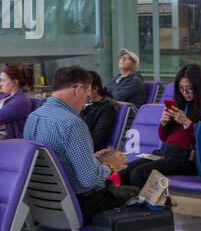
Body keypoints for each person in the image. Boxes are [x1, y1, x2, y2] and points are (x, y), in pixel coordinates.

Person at [23, 66, 134, 221]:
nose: (84, 105)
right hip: (78, 206)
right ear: (77, 89)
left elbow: (58, 163)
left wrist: (92, 159)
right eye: (87, 98)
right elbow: (89, 180)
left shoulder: (33, 117)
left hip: (41, 207)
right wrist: (111, 166)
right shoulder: (73, 123)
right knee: (146, 196)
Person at [121, 63, 201, 188]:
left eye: (189, 88)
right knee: (122, 173)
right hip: (165, 152)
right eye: (181, 88)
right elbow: (164, 138)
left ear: (198, 87)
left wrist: (186, 122)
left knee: (139, 174)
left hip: (186, 157)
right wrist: (163, 123)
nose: (185, 92)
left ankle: (149, 204)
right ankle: (120, 201)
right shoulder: (180, 104)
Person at [80, 72, 118, 152]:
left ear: (95, 88)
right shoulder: (85, 105)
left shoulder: (106, 108)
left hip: (87, 151)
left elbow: (97, 139)